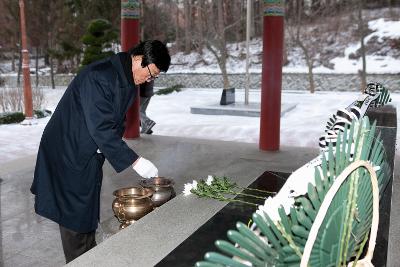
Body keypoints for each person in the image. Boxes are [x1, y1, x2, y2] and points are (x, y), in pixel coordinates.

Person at [30, 40, 171, 263]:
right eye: (150, 73)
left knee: (87, 211)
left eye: (154, 77)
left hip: (89, 150)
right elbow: (101, 127)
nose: (149, 80)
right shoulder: (99, 76)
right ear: (137, 58)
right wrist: (135, 161)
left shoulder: (126, 77)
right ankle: (79, 259)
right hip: (68, 151)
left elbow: (113, 124)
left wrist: (109, 148)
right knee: (74, 217)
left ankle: (90, 255)